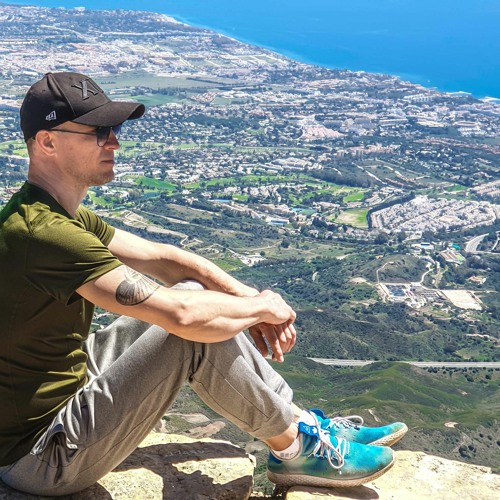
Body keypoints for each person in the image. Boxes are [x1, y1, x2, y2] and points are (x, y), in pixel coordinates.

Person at [0, 72, 407, 496]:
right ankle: (293, 448)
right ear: (47, 142)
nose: (114, 143)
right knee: (188, 331)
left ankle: (299, 422)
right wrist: (260, 310)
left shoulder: (54, 214)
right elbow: (182, 318)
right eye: (99, 132)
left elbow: (166, 260)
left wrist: (249, 297)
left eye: (114, 129)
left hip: (66, 390)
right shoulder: (43, 233)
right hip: (38, 456)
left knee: (196, 296)